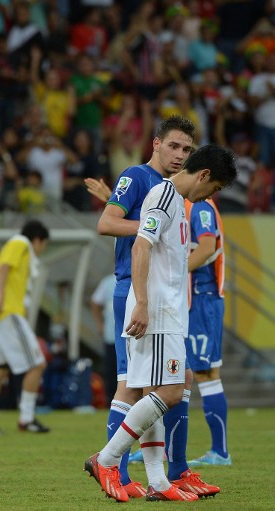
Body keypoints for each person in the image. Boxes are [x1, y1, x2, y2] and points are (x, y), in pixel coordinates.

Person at [85, 144, 237, 503]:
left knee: (159, 388)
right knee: (170, 390)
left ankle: (158, 479)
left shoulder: (177, 203)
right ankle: (106, 458)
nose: (210, 196)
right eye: (213, 189)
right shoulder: (166, 195)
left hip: (166, 312)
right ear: (202, 176)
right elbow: (141, 246)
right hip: (156, 314)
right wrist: (141, 302)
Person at [0, 221, 50, 435]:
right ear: (37, 239)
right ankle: (26, 418)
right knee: (37, 364)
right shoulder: (20, 243)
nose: (41, 250)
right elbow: (2, 267)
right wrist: (0, 297)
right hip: (8, 313)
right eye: (43, 244)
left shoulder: (18, 247)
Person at [185, 198, 232, 467]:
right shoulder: (192, 203)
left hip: (202, 298)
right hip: (196, 298)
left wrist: (173, 271)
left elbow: (205, 248)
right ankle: (162, 448)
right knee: (180, 373)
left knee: (204, 372)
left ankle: (220, 452)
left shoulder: (200, 206)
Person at [91, 274, 117, 404]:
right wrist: (100, 325)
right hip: (111, 336)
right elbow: (95, 302)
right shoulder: (107, 282)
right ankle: (111, 403)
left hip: (133, 337)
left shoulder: (138, 277)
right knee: (111, 371)